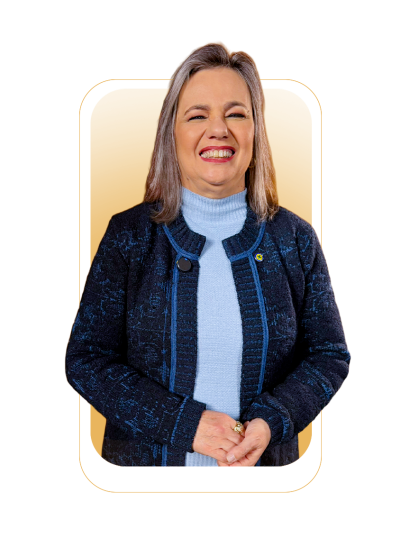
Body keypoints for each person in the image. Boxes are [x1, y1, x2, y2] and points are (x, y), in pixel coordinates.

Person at [65, 40, 351, 467]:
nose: (219, 129)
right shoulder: (129, 236)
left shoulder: (295, 239)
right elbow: (86, 361)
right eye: (197, 115)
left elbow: (330, 356)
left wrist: (272, 420)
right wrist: (184, 424)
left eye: (236, 114)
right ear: (172, 134)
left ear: (256, 131)